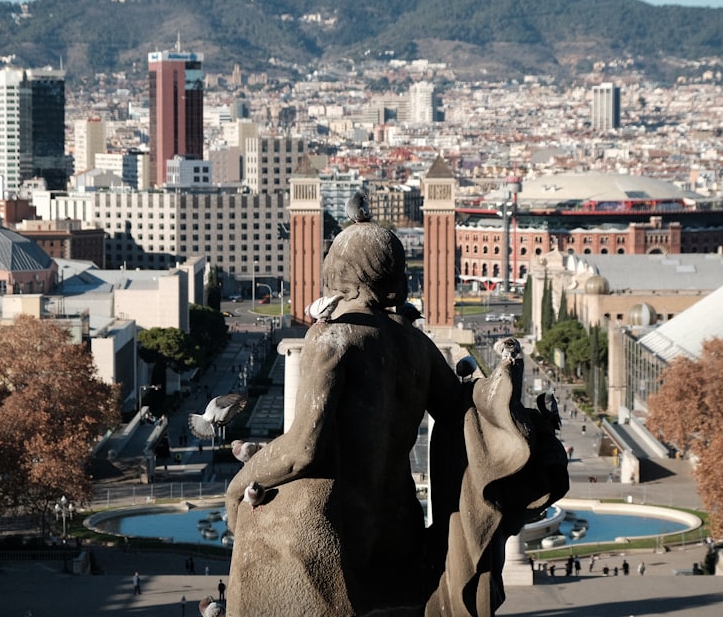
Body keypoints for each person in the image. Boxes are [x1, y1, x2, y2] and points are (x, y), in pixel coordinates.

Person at [225, 222, 568, 617]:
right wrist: (508, 402)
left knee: (256, 525)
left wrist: (240, 483)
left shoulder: (333, 337)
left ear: (341, 271)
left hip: (337, 530)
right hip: (400, 528)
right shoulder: (417, 345)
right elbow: (464, 411)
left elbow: (302, 451)